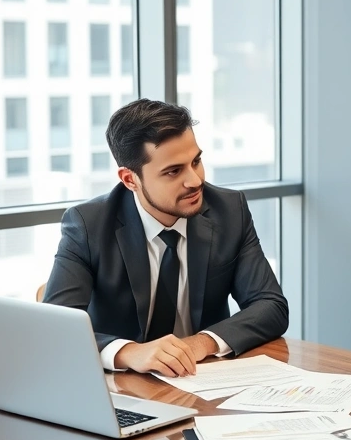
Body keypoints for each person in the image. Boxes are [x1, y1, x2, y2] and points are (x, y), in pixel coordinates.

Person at [43, 99, 288, 377]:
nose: (195, 181)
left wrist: (199, 344)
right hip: (122, 388)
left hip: (202, 381)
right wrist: (128, 352)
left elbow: (271, 306)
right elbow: (56, 329)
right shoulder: (88, 225)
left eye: (196, 161)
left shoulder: (229, 211)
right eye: (173, 171)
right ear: (130, 179)